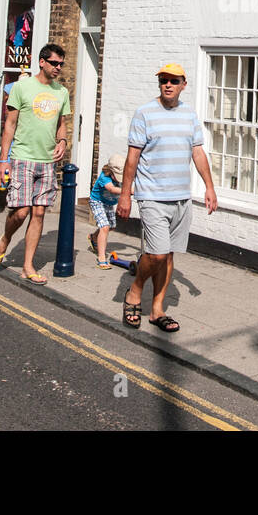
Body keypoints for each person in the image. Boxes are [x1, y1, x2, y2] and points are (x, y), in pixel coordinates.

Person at [117, 63, 218, 333]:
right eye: (164, 80)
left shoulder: (189, 115)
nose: (168, 85)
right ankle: (134, 292)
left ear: (184, 84)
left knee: (169, 256)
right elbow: (132, 158)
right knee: (157, 254)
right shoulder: (144, 114)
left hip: (181, 197)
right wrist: (125, 195)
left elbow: (197, 152)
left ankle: (157, 309)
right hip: (151, 196)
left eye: (174, 80)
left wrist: (209, 187)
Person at [0, 44, 71, 285]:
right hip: (23, 157)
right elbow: (10, 124)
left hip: (47, 160)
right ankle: (4, 239)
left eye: (61, 64)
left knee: (39, 212)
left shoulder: (61, 92)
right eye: (54, 63)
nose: (58, 68)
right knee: (21, 211)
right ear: (42, 62)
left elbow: (61, 123)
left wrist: (63, 140)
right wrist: (4, 159)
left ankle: (27, 266)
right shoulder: (22, 87)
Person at [87, 153, 125, 269]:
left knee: (111, 226)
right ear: (110, 170)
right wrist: (130, 191)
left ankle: (93, 237)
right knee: (105, 227)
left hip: (108, 204)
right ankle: (102, 258)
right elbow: (112, 189)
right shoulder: (105, 176)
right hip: (97, 202)